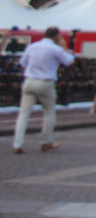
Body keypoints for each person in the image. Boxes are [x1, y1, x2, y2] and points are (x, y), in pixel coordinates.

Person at [12, 26, 74, 154]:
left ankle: (18, 144)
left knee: (23, 114)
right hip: (46, 82)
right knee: (48, 112)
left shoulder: (33, 46)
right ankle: (46, 141)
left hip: (29, 80)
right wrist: (64, 46)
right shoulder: (55, 49)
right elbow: (69, 61)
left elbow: (22, 62)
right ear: (57, 36)